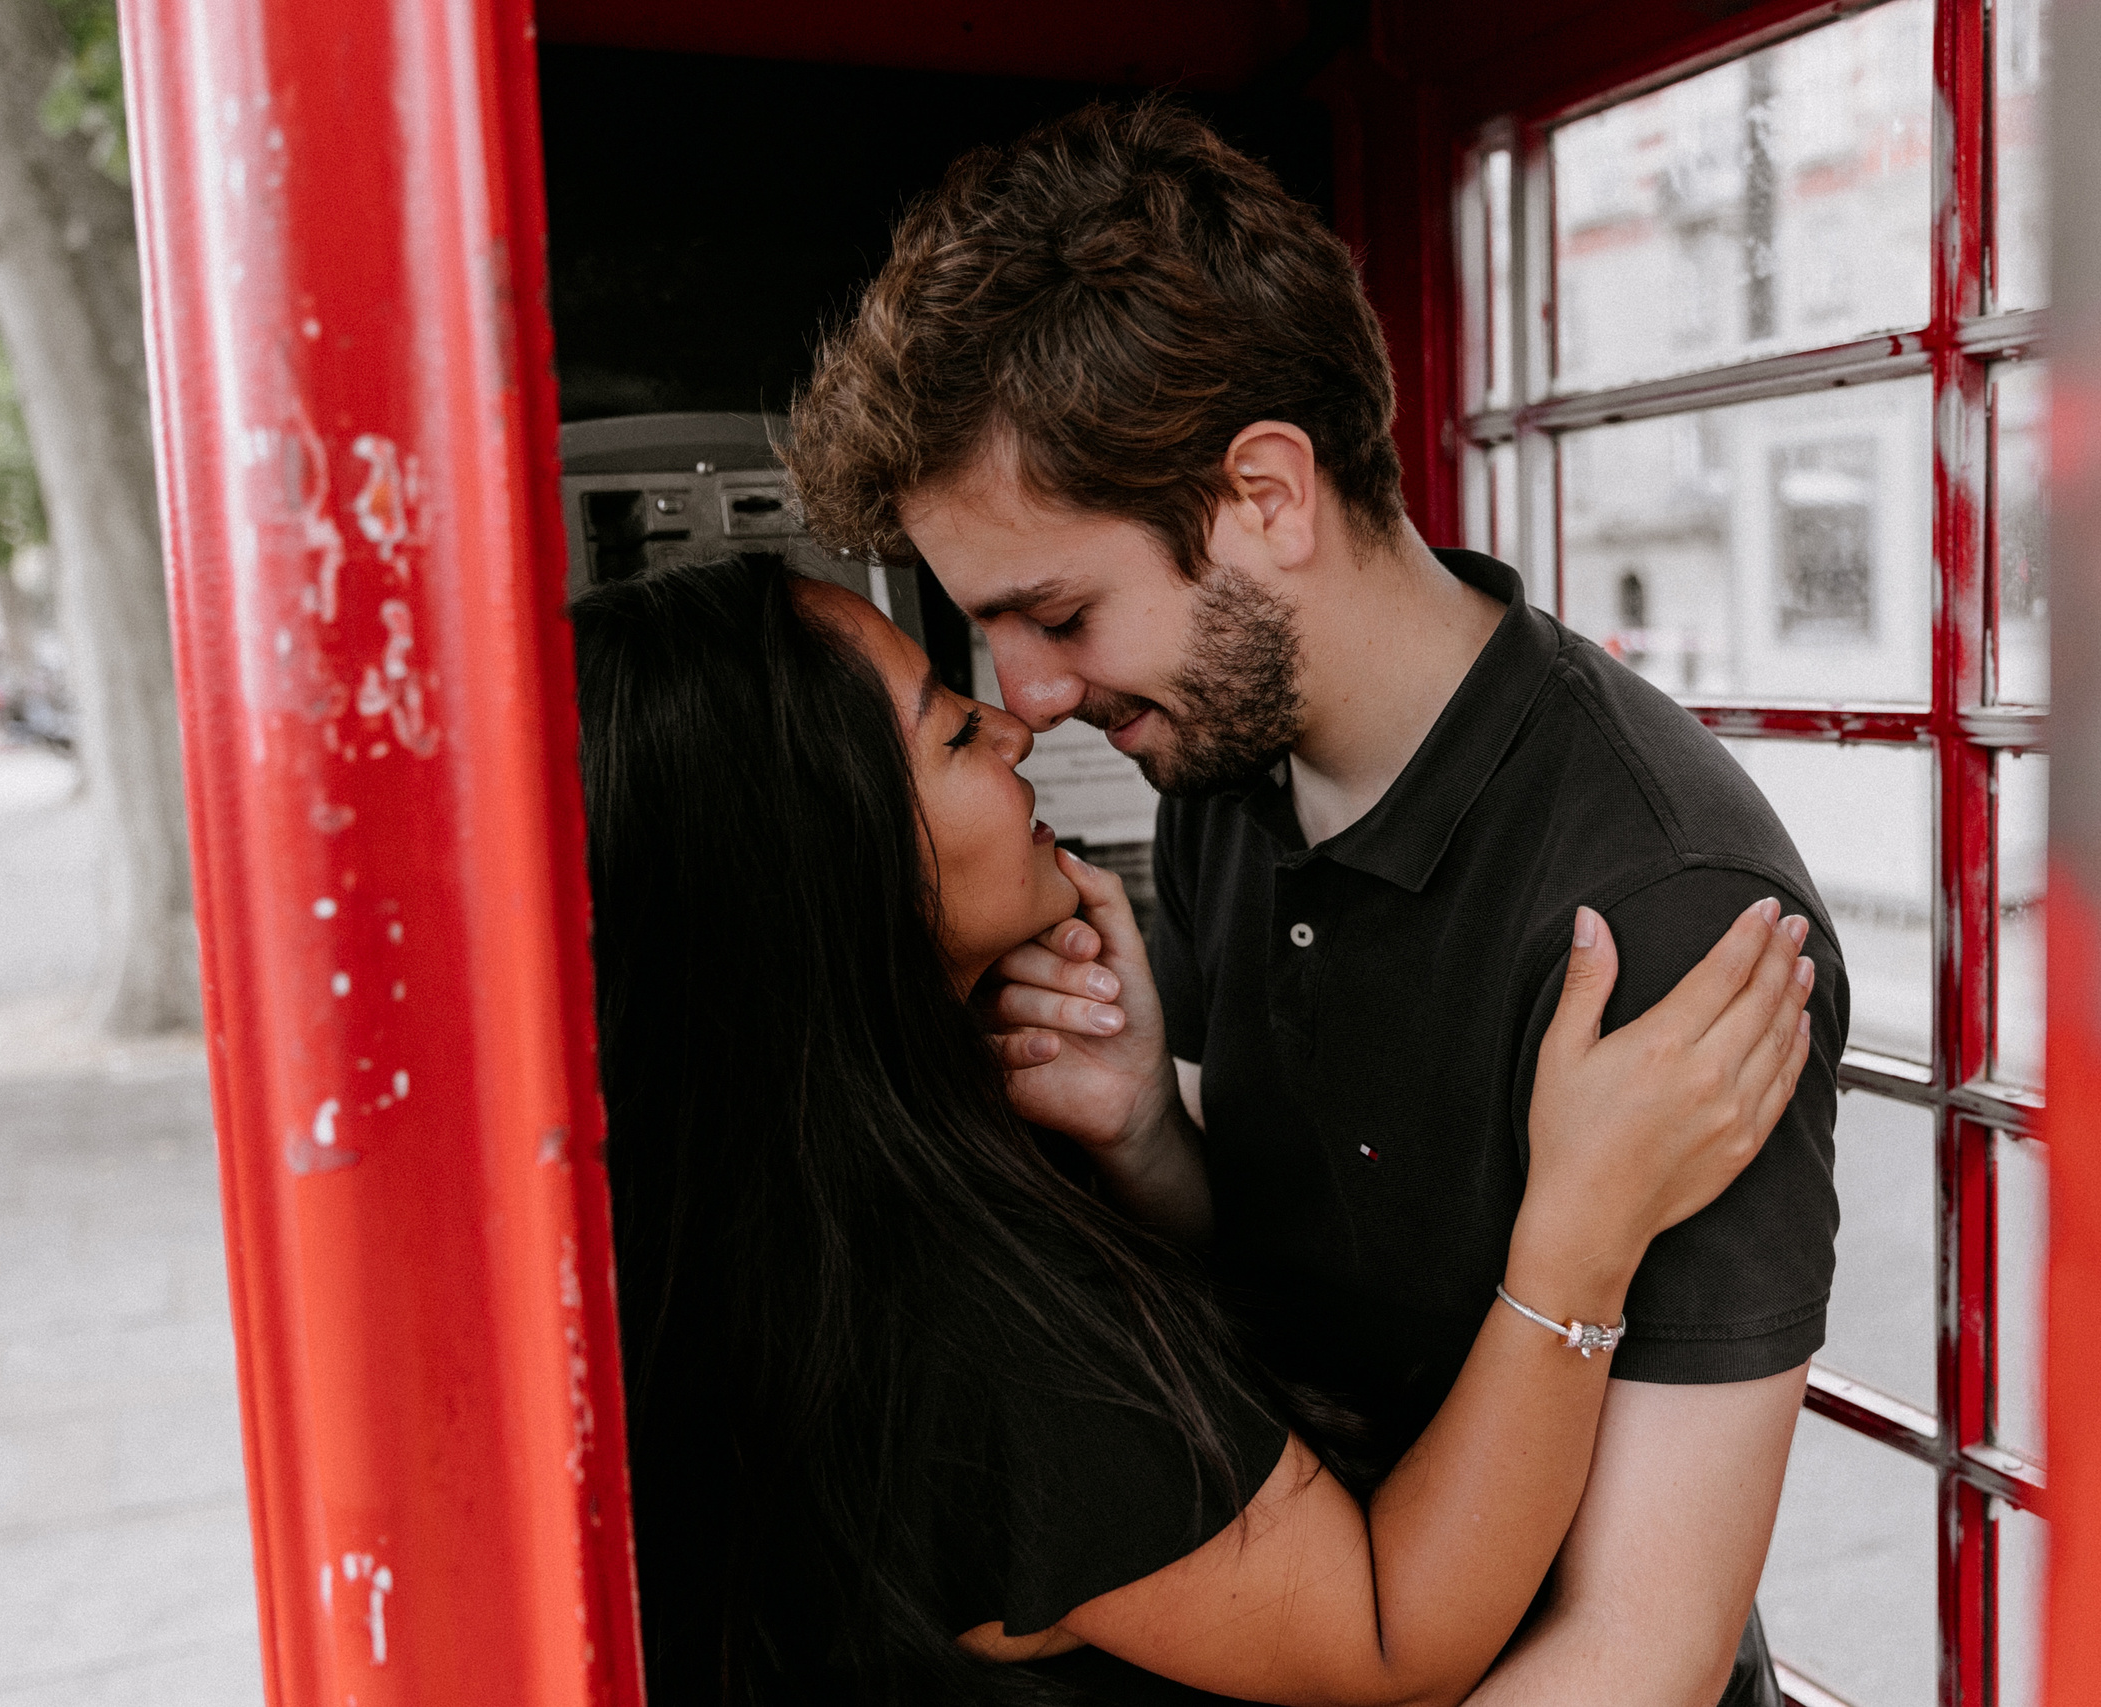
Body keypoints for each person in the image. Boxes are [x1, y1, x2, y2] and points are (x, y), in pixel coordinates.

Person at [787, 99, 1849, 1705]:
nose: (1028, 696)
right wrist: (1153, 1136)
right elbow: (1306, 1309)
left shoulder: (1667, 908)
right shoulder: (1221, 774)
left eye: (1059, 612)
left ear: (1269, 494)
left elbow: (1644, 1646)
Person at [570, 551, 1815, 1705]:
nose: (1017, 717)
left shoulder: (774, 1212)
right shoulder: (943, 1315)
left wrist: (1145, 1138)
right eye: (951, 730)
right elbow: (1390, 1637)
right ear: (822, 864)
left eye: (1064, 616)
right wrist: (1580, 1237)